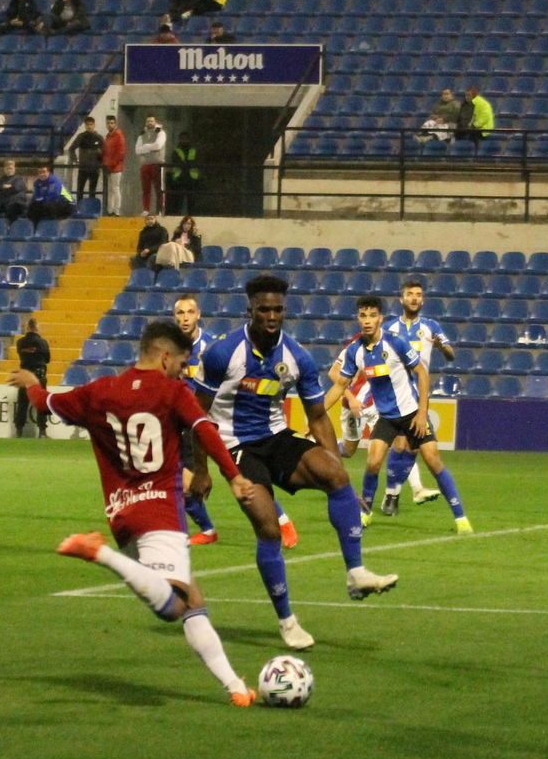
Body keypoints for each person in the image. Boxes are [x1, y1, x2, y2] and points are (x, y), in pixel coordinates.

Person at [13, 321, 260, 707]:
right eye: (182, 362)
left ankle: (235, 687)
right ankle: (97, 552)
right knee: (175, 606)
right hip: (160, 511)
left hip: (122, 516)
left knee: (193, 598)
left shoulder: (98, 391)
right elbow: (204, 428)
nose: (184, 369)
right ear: (164, 357)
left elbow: (43, 401)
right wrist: (234, 475)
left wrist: (30, 381)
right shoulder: (173, 391)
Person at [190, 274, 402, 650]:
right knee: (270, 530)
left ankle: (356, 572)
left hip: (275, 437)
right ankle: (287, 622)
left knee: (335, 473)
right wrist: (203, 470)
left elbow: (319, 418)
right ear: (251, 310)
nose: (271, 316)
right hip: (235, 446)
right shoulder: (223, 353)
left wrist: (342, 478)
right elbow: (197, 414)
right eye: (264, 309)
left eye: (277, 309)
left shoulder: (296, 356)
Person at [323, 295, 471, 537]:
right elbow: (339, 385)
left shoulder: (397, 343)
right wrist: (316, 413)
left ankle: (461, 518)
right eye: (363, 315)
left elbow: (422, 374)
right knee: (372, 462)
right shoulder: (355, 351)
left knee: (433, 462)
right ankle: (365, 513)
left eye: (372, 316)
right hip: (388, 418)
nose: (367, 320)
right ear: (358, 319)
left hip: (412, 414)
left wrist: (423, 413)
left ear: (380, 319)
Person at [173, 293, 298, 549]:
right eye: (180, 313)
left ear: (198, 315)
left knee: (237, 476)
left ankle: (282, 519)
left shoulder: (213, 348)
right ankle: (207, 530)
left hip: (218, 423)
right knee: (179, 479)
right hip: (184, 423)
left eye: (189, 312)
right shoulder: (170, 348)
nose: (185, 318)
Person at [380, 278, 454, 514]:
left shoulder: (431, 326)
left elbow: (451, 355)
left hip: (420, 394)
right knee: (402, 444)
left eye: (418, 294)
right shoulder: (389, 327)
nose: (414, 297)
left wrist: (443, 347)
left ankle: (392, 494)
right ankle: (391, 496)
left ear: (422, 299)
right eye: (410, 294)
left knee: (411, 448)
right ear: (401, 299)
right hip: (397, 393)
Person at [12, 319, 51, 437]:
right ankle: (42, 431)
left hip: (25, 375)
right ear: (37, 328)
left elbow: (21, 354)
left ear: (27, 327)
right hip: (39, 375)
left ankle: (19, 430)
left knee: (22, 404)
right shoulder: (43, 343)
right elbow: (47, 359)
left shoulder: (20, 342)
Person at [136, 116, 167, 215]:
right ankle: (146, 210)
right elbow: (137, 150)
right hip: (145, 164)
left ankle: (161, 210)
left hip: (157, 164)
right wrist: (151, 147)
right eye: (148, 121)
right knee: (145, 189)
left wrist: (145, 147)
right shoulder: (142, 134)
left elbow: (158, 145)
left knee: (159, 189)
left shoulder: (161, 133)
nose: (150, 122)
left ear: (155, 122)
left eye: (151, 121)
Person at [70, 116, 105, 202]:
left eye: (91, 124)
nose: (89, 126)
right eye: (87, 125)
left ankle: (91, 210)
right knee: (80, 191)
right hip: (83, 168)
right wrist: (75, 160)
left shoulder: (99, 138)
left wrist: (101, 162)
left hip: (94, 168)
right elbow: (71, 149)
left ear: (94, 125)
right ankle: (78, 209)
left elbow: (105, 152)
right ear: (85, 126)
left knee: (92, 192)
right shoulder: (81, 137)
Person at [164, 132, 200, 216]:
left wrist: (185, 164)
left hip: (191, 179)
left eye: (186, 138)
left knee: (192, 200)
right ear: (180, 140)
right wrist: (188, 164)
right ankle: (177, 216)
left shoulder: (194, 151)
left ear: (189, 140)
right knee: (178, 200)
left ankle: (192, 217)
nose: (184, 140)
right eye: (182, 139)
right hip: (179, 179)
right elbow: (177, 161)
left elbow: (197, 161)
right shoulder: (176, 151)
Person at [102, 114, 127, 216]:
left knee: (115, 188)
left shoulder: (119, 135)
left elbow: (121, 153)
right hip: (108, 166)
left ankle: (117, 211)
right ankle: (110, 210)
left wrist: (111, 164)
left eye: (112, 123)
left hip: (116, 167)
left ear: (115, 124)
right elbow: (106, 152)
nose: (109, 125)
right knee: (110, 190)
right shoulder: (108, 136)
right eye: (108, 123)